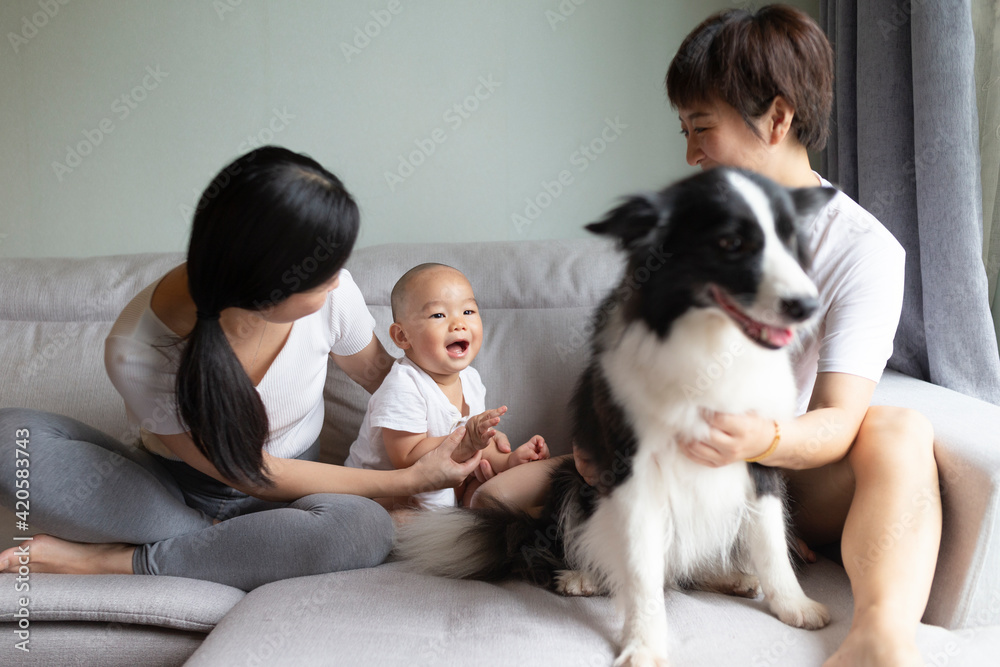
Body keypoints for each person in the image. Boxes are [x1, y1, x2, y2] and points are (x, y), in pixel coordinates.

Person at [474, 6, 940, 667]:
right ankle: (687, 564)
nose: (691, 153)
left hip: (778, 466)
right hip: (673, 454)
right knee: (495, 500)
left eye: (702, 128)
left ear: (776, 119)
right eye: (684, 130)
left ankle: (881, 637)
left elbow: (838, 419)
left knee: (900, 428)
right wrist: (598, 432)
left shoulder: (862, 250)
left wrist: (761, 441)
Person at [0, 146, 482, 591]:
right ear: (265, 291)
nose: (339, 282)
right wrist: (406, 483)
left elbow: (391, 379)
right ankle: (223, 545)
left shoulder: (334, 295)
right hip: (171, 493)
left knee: (361, 528)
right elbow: (248, 473)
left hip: (295, 497)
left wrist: (467, 448)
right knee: (9, 441)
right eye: (323, 274)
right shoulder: (140, 349)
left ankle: (116, 560)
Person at [344, 263, 549, 509]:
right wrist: (467, 441)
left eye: (469, 311)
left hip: (445, 486)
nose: (458, 324)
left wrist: (506, 460)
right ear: (402, 336)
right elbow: (407, 458)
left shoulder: (471, 379)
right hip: (385, 495)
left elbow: (477, 446)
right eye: (439, 315)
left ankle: (504, 476)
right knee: (400, 515)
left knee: (491, 491)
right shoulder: (403, 384)